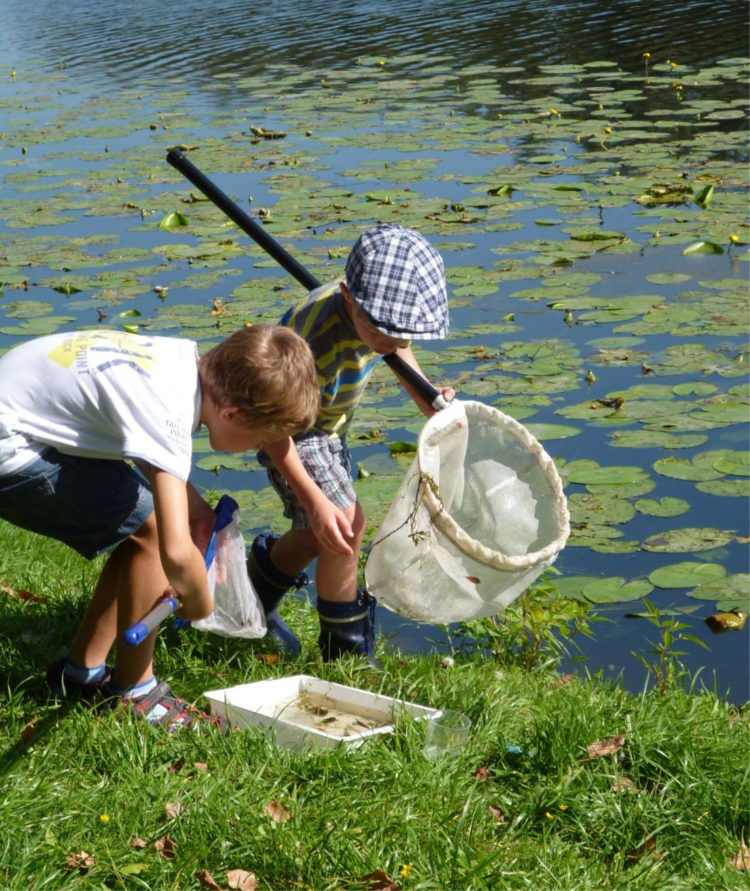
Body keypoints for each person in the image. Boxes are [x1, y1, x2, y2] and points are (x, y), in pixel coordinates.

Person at [0, 324, 319, 731]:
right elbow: (173, 549)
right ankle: (135, 693)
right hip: (13, 448)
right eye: (260, 440)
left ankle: (79, 673)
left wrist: (200, 515)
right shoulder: (170, 408)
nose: (258, 448)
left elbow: (142, 445)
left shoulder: (181, 365)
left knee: (140, 523)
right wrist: (200, 600)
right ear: (232, 414)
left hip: (25, 418)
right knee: (148, 531)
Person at [247, 223, 454, 663]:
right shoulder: (308, 343)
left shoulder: (376, 321)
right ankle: (346, 651)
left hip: (326, 427)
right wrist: (315, 498)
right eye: (386, 332)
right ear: (347, 298)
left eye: (404, 332)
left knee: (312, 535)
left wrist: (428, 397)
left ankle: (250, 599)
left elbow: (396, 352)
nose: (394, 342)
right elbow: (273, 428)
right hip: (290, 428)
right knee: (345, 526)